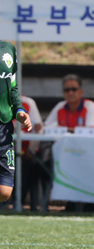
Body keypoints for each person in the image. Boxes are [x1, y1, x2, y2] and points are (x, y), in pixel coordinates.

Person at [0, 41, 32, 203]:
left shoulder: (9, 49)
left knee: (4, 192)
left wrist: (19, 110)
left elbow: (12, 88)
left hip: (4, 126)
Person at [16, 95, 45, 211]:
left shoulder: (27, 103)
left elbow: (38, 130)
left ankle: (18, 202)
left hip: (23, 153)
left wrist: (31, 151)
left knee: (28, 164)